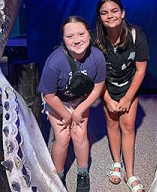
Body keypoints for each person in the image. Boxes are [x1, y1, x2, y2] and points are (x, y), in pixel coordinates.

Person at [38, 15, 106, 192]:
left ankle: (82, 173)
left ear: (89, 35)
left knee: (80, 134)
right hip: (57, 101)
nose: (77, 40)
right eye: (70, 36)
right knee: (62, 137)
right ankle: (58, 175)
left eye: (81, 34)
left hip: (81, 100)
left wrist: (79, 111)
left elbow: (98, 87)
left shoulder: (97, 57)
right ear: (63, 39)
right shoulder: (55, 61)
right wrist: (67, 115)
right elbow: (49, 95)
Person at [93, 0, 149, 192]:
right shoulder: (96, 40)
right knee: (111, 122)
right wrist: (107, 99)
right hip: (106, 87)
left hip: (128, 87)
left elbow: (141, 70)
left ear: (122, 13)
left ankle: (130, 173)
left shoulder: (136, 35)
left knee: (128, 125)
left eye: (114, 10)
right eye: (104, 12)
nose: (110, 15)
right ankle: (116, 163)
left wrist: (127, 98)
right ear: (100, 17)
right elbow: (96, 76)